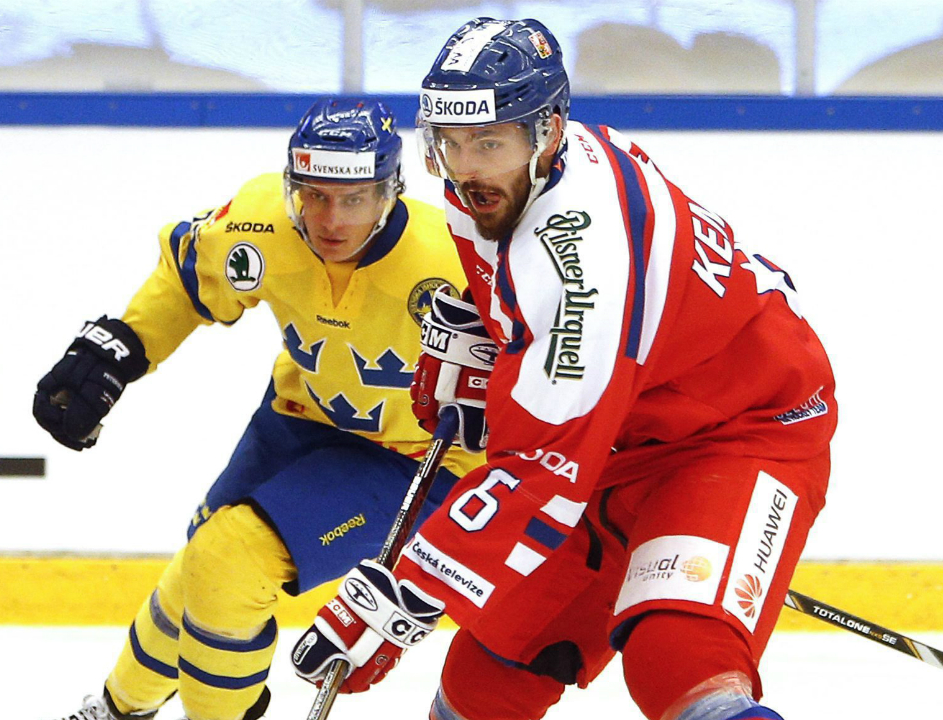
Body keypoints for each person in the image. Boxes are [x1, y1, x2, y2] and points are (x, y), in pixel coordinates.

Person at [291, 18, 837, 720]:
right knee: (483, 681)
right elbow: (539, 334)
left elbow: (544, 463)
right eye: (451, 143)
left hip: (740, 427)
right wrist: (495, 346)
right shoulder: (495, 185)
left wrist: (405, 595)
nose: (465, 166)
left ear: (547, 130)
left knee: (678, 660)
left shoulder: (583, 260)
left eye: (488, 142)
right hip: (613, 431)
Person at [32, 97, 483, 720]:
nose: (331, 219)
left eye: (353, 198)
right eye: (315, 194)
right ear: (292, 184)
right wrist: (120, 349)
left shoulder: (456, 259)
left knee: (230, 561)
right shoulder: (260, 221)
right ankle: (116, 710)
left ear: (390, 193)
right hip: (299, 416)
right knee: (203, 571)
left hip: (421, 459)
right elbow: (190, 278)